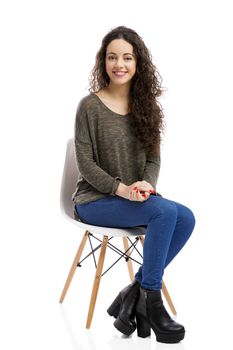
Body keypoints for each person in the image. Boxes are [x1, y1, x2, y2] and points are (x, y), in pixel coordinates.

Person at [72, 26, 195, 344]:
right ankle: (152, 303)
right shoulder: (89, 106)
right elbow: (85, 165)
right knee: (165, 213)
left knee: (186, 217)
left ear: (138, 63)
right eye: (112, 57)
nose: (119, 64)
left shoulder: (148, 108)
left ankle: (135, 291)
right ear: (103, 62)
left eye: (127, 57)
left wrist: (145, 184)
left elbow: (153, 161)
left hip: (134, 198)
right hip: (96, 200)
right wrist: (121, 189)